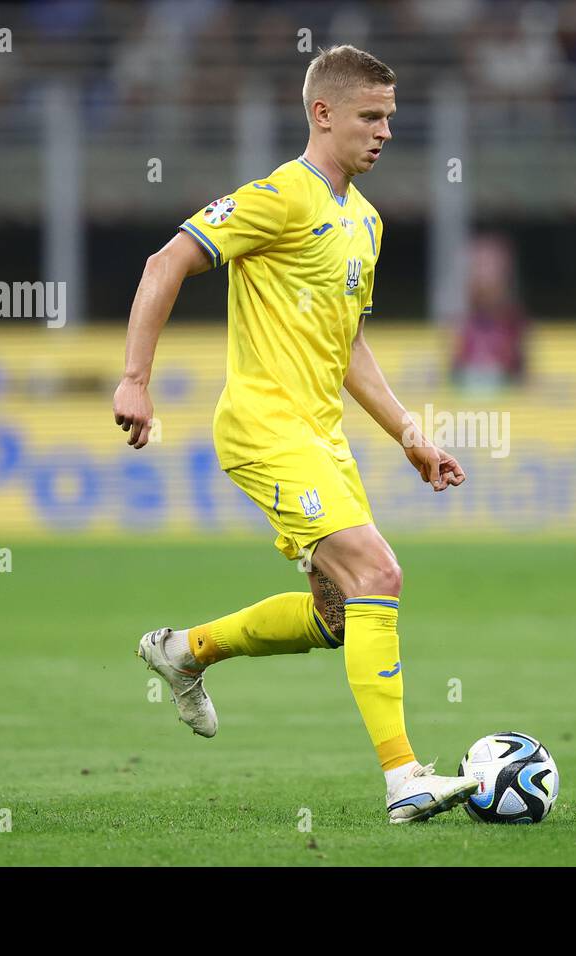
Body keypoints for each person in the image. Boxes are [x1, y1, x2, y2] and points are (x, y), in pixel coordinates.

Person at [112, 46, 477, 823]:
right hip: (263, 427)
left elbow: (347, 347)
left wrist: (410, 433)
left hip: (322, 435)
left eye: (390, 118)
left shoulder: (366, 223)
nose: (384, 132)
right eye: (370, 117)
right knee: (379, 573)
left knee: (338, 616)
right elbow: (164, 262)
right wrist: (136, 380)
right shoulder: (281, 195)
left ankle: (183, 651)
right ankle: (405, 779)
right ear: (323, 114)